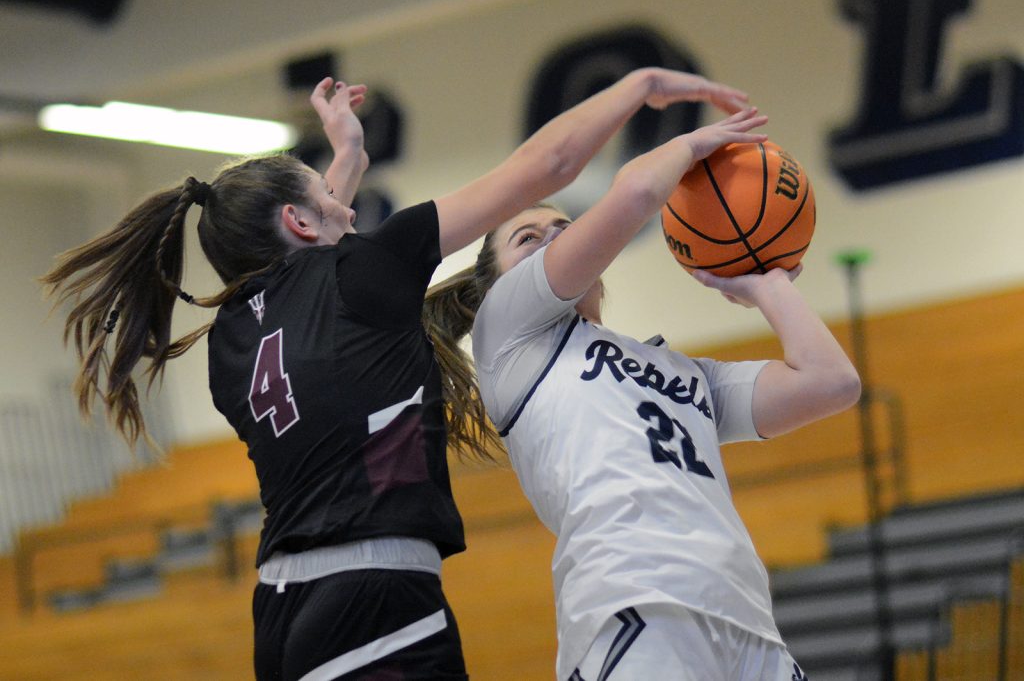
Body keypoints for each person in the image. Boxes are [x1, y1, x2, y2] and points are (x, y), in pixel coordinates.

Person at [41, 69, 755, 680]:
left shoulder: (230, 343)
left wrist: (347, 154)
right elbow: (551, 163)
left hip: (282, 612)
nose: (345, 204)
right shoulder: (365, 271)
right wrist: (640, 88)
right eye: (328, 195)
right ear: (299, 221)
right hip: (372, 598)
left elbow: (308, 257)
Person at [423, 108, 861, 679]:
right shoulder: (507, 335)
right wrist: (691, 144)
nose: (556, 238)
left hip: (748, 622)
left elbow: (832, 383)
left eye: (564, 228)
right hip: (633, 602)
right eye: (527, 238)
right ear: (496, 286)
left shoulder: (684, 373)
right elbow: (634, 194)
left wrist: (767, 283)